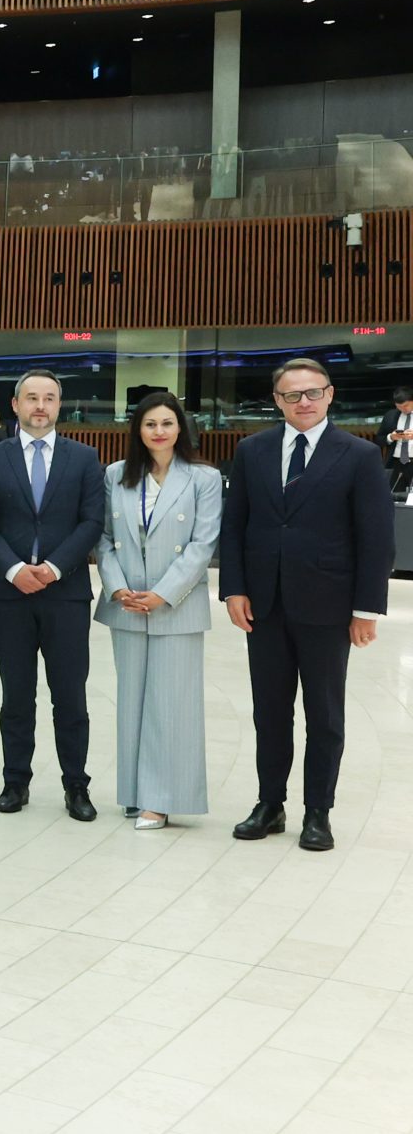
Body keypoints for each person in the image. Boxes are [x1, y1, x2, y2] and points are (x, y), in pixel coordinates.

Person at [221, 357, 395, 852]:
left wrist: (367, 609)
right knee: (269, 712)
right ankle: (270, 804)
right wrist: (234, 588)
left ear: (329, 394)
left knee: (325, 715)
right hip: (265, 605)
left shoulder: (359, 455)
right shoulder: (252, 450)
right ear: (277, 400)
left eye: (313, 392)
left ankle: (318, 811)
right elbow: (235, 526)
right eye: (292, 395)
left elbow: (376, 538)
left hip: (328, 605)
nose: (304, 402)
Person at [0, 370, 105, 821]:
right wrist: (13, 570)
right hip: (7, 593)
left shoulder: (84, 458)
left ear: (59, 405)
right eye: (32, 398)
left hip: (65, 592)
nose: (40, 406)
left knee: (70, 695)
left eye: (49, 398)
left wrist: (52, 568)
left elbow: (91, 521)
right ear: (15, 405)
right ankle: (15, 782)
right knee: (16, 693)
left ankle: (76, 785)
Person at [96, 391, 221, 831]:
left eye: (167, 423)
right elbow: (104, 538)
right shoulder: (116, 474)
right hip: (127, 604)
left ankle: (162, 799)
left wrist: (163, 594)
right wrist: (118, 588)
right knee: (131, 703)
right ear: (137, 430)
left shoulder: (203, 478)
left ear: (181, 428)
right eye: (150, 424)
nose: (159, 431)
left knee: (171, 705)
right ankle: (135, 793)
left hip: (176, 606)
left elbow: (203, 544)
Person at [387, 386, 413, 499]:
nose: (403, 409)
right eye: (399, 407)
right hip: (397, 463)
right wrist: (391, 437)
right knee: (394, 497)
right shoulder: (391, 415)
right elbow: (379, 438)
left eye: (406, 406)